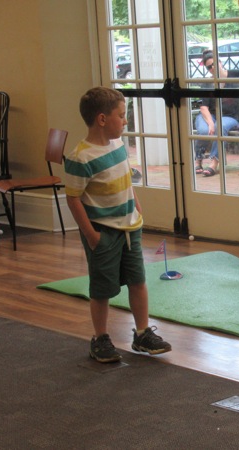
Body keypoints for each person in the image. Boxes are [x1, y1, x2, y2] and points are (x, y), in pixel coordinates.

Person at [65, 87, 172, 363]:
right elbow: (73, 198)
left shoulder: (118, 145)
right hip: (103, 233)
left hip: (130, 227)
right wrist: (91, 235)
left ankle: (142, 333)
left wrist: (135, 202)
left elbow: (124, 177)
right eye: (122, 115)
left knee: (138, 280)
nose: (125, 121)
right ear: (102, 119)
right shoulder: (80, 157)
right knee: (102, 289)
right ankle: (100, 338)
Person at [194, 49, 239, 177]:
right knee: (204, 130)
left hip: (229, 116)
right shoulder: (207, 84)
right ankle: (198, 160)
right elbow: (203, 107)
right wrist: (210, 122)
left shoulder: (236, 75)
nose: (212, 68)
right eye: (209, 67)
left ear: (220, 62)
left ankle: (214, 164)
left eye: (214, 64)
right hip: (209, 115)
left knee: (220, 126)